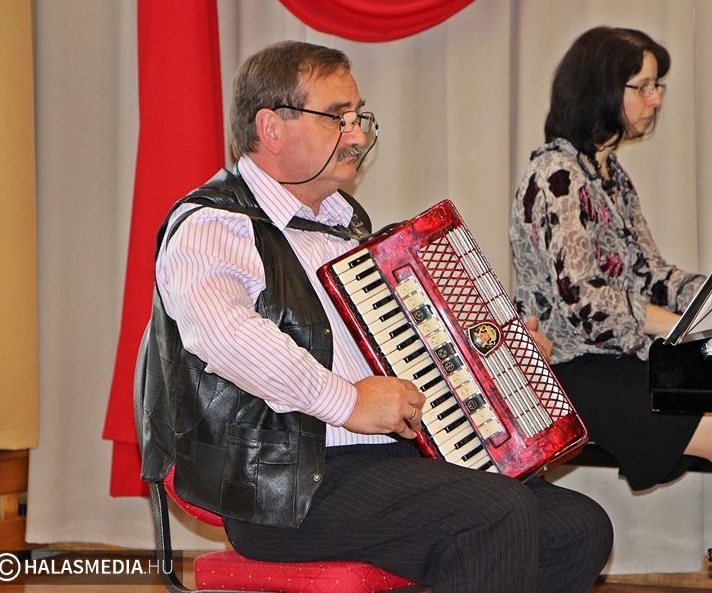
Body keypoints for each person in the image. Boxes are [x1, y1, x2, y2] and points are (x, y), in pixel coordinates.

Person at [140, 40, 612, 593]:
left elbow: (415, 350)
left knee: (579, 526)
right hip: (283, 487)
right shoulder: (213, 224)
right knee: (495, 513)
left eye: (359, 117)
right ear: (271, 127)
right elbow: (227, 337)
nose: (358, 136)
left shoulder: (346, 230)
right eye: (337, 118)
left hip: (385, 462)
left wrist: (500, 353)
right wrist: (349, 401)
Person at [510, 26, 712, 593]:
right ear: (603, 88)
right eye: (644, 86)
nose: (656, 100)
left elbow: (651, 273)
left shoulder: (607, 173)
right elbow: (585, 304)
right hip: (569, 371)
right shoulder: (556, 175)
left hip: (617, 359)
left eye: (658, 86)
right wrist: (677, 326)